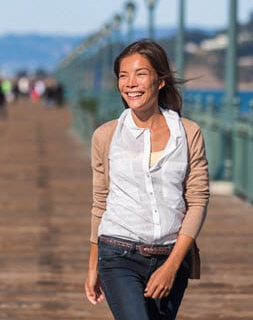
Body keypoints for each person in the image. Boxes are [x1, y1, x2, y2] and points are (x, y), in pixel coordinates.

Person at [84, 39, 209, 320]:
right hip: (118, 254)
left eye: (140, 74)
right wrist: (93, 266)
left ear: (160, 81)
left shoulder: (188, 134)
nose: (130, 83)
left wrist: (172, 265)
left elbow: (198, 200)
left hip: (171, 255)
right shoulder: (106, 136)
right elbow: (100, 202)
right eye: (123, 76)